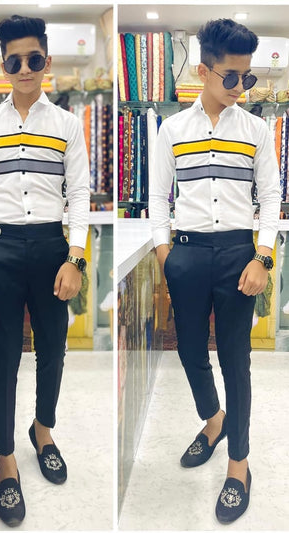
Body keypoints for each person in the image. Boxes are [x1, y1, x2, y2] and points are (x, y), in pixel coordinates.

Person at [0, 14, 90, 526]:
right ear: (3, 65)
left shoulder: (67, 124)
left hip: (52, 246)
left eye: (34, 59)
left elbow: (79, 194)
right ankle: (5, 459)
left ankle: (43, 430)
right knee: (4, 357)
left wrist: (75, 257)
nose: (25, 68)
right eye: (15, 61)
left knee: (53, 349)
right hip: (1, 248)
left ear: (46, 61)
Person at [149, 19, 280, 524]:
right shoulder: (172, 130)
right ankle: (213, 420)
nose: (241, 87)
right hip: (186, 253)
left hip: (236, 255)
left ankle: (238, 464)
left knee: (235, 359)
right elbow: (158, 198)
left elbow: (270, 198)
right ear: (203, 72)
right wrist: (166, 254)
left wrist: (262, 257)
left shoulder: (256, 131)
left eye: (247, 77)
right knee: (188, 350)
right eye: (231, 77)